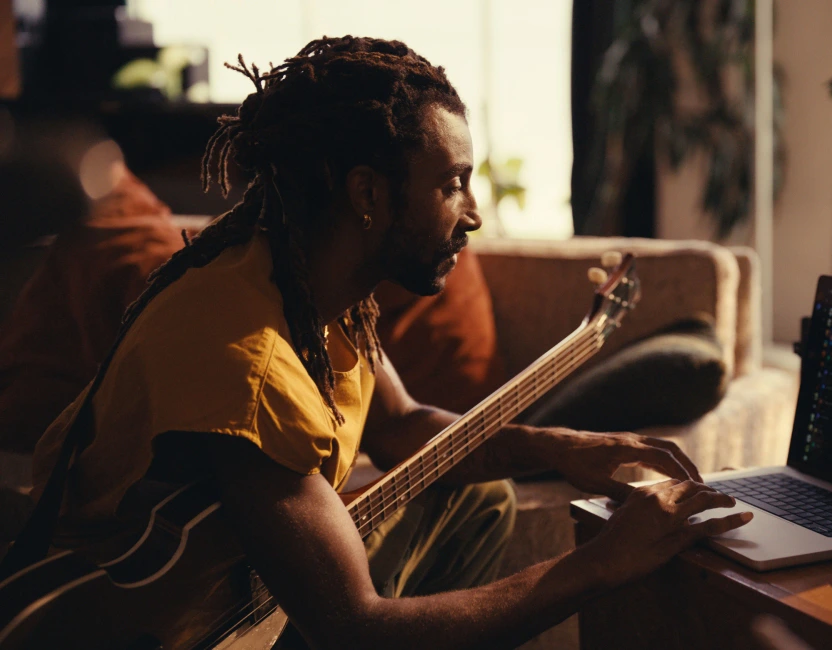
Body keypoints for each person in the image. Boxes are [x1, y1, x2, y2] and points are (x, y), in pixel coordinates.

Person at [27, 36, 750, 648]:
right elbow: (355, 627)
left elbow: (402, 427)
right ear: (368, 195)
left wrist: (563, 447)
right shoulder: (249, 367)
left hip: (241, 570)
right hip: (160, 625)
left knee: (480, 500)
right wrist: (601, 564)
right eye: (452, 184)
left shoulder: (299, 273)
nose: (472, 214)